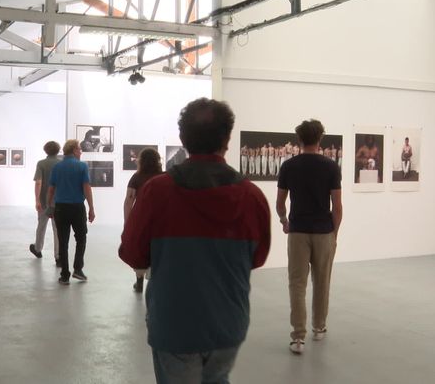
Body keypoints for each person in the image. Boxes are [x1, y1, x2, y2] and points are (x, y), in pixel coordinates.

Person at [119, 98, 271, 384]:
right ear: (227, 139)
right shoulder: (252, 197)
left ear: (183, 138)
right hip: (228, 322)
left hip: (173, 322)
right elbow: (257, 258)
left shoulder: (157, 192)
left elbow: (132, 254)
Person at [276, 119, 343, 355]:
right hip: (323, 231)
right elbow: (337, 206)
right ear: (320, 139)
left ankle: (298, 337)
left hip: (297, 232)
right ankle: (319, 327)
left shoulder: (288, 166)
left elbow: (280, 203)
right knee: (322, 281)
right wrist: (334, 233)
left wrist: (285, 221)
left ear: (299, 140)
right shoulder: (331, 167)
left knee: (297, 284)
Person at [47, 139, 95, 285]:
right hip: (77, 207)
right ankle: (78, 269)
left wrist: (50, 206)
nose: (81, 151)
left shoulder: (57, 167)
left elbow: (51, 189)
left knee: (63, 241)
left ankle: (65, 275)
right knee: (81, 238)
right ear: (74, 150)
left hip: (61, 208)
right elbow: (86, 188)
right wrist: (91, 208)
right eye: (79, 149)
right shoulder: (82, 166)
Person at [122, 147, 163, 293]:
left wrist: (127, 223)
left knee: (140, 249)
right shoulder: (164, 176)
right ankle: (154, 283)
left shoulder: (137, 177)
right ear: (158, 160)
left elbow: (129, 200)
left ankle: (139, 281)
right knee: (157, 251)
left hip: (141, 219)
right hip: (160, 220)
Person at [29, 141, 61, 264]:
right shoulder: (61, 164)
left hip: (43, 201)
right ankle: (58, 256)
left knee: (41, 226)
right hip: (58, 201)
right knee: (57, 229)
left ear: (45, 150)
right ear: (58, 150)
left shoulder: (41, 164)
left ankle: (37, 249)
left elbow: (38, 182)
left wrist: (37, 200)